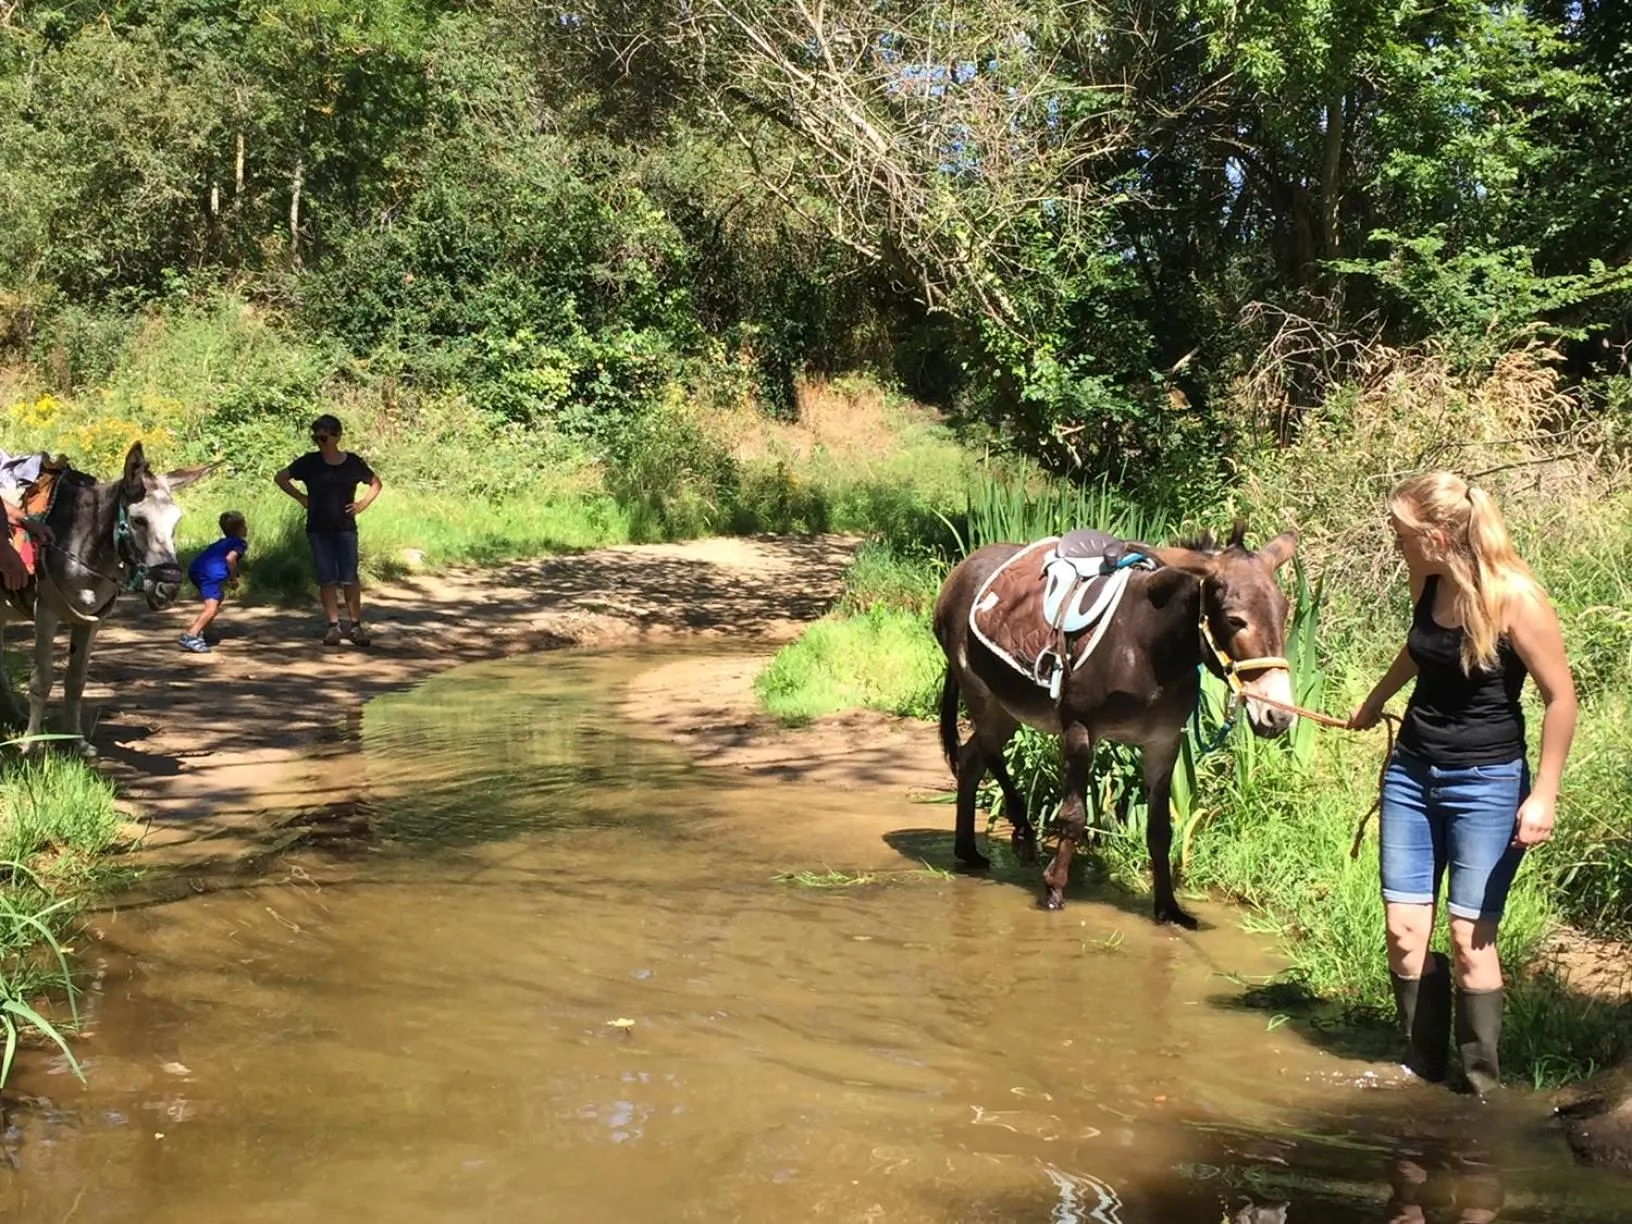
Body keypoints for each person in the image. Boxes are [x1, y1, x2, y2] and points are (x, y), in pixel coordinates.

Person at [1351, 471, 1576, 1096]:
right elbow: (1418, 648)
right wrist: (1376, 699)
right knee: (1403, 933)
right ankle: (1423, 1074)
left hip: (1488, 783)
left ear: (1442, 533)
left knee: (1469, 937)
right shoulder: (1429, 580)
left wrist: (1544, 795)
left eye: (1403, 534)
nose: (1396, 543)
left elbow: (1562, 698)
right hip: (1412, 774)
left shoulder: (1516, 599)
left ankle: (1480, 1086)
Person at [274, 415, 382, 647]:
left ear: (336, 436)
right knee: (327, 579)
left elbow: (375, 483)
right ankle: (333, 626)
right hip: (317, 528)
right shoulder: (309, 462)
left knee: (350, 578)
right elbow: (281, 477)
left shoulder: (352, 462)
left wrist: (362, 505)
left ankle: (355, 626)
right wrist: (301, 497)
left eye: (323, 436)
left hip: (345, 528)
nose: (319, 441)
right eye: (316, 437)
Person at [179, 511, 248, 653]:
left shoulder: (222, 542)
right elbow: (230, 559)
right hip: (209, 575)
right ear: (240, 528)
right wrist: (233, 578)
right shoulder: (239, 543)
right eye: (245, 525)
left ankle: (206, 631)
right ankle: (191, 635)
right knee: (212, 608)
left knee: (218, 597)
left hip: (196, 570)